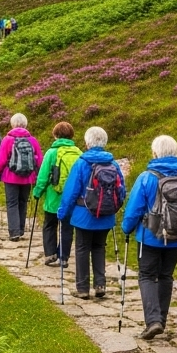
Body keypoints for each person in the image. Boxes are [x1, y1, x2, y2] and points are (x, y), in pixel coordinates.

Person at [122, 135, 177, 340]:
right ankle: (162, 320)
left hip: (150, 237)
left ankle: (153, 320)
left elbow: (134, 210)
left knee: (147, 276)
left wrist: (126, 228)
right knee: (166, 276)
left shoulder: (147, 177)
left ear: (155, 153)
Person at [58, 126, 127, 299]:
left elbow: (71, 191)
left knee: (82, 248)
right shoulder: (113, 163)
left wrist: (63, 212)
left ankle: (82, 288)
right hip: (105, 215)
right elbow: (122, 191)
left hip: (83, 215)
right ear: (104, 142)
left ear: (88, 143)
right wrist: (113, 209)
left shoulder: (81, 163)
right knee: (99, 248)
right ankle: (100, 284)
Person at [33, 122, 82, 267]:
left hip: (53, 197)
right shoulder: (78, 153)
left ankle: (50, 254)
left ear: (55, 135)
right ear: (71, 135)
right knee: (67, 227)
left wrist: (37, 192)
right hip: (72, 199)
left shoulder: (51, 152)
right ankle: (64, 257)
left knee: (49, 224)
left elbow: (42, 176)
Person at [0, 113, 43, 241]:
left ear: (12, 124)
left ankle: (14, 232)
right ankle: (20, 229)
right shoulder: (33, 140)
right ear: (25, 125)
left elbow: (1, 160)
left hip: (10, 177)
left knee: (12, 203)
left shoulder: (8, 140)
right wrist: (37, 176)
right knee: (23, 202)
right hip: (28, 178)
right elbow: (39, 161)